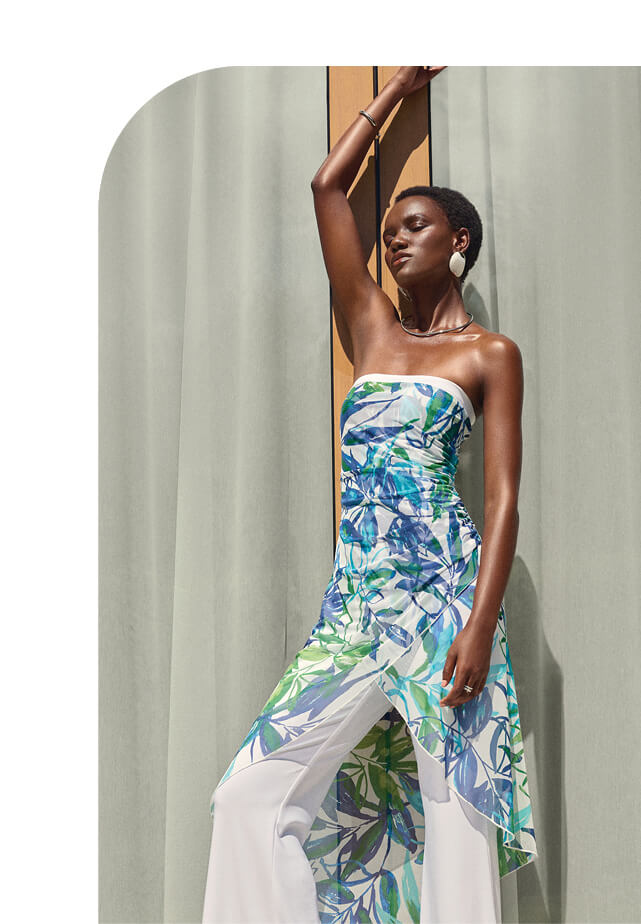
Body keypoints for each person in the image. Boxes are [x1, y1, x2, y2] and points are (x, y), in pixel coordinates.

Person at [202, 66, 537, 924]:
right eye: (386, 232)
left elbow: (501, 501)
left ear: (458, 238)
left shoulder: (489, 354)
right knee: (247, 796)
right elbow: (326, 188)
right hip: (355, 606)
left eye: (413, 226)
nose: (394, 242)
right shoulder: (372, 329)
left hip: (444, 601)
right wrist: (392, 93)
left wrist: (477, 623)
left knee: (454, 816)